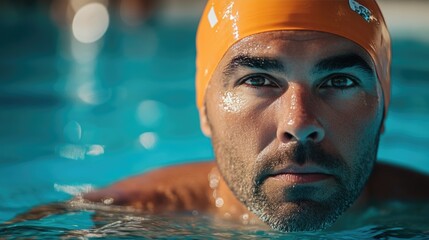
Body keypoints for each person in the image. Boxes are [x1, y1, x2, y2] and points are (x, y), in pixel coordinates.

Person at [12, 0, 429, 232]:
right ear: (204, 108)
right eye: (258, 80)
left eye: (339, 81)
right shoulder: (115, 219)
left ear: (384, 104)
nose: (299, 123)